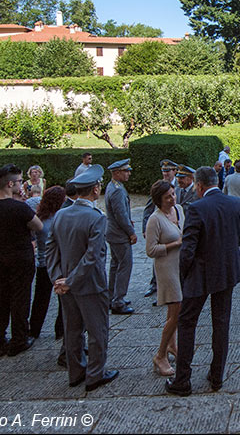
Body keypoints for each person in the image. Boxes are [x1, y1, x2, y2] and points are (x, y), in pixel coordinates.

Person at [165, 167, 240, 396]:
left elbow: (188, 249)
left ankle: (183, 380)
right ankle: (217, 376)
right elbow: (238, 238)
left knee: (187, 324)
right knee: (221, 324)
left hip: (200, 274)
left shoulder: (196, 208)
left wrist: (183, 275)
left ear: (199, 186)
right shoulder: (233, 203)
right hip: (226, 272)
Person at [46, 164, 119, 391]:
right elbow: (92, 257)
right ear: (96, 190)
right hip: (89, 284)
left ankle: (75, 372)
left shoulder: (60, 214)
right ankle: (95, 374)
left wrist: (58, 278)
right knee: (98, 331)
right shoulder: (96, 217)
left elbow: (50, 250)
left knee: (73, 330)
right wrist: (70, 280)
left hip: (65, 285)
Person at [0, 164, 43, 357]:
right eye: (18, 181)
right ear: (10, 184)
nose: (21, 185)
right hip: (21, 255)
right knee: (20, 297)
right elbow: (38, 226)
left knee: (0, 297)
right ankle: (19, 338)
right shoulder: (20, 207)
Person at [145, 180, 184, 377]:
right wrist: (174, 244)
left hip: (180, 266)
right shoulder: (155, 219)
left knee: (173, 311)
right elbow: (150, 250)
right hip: (166, 268)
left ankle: (172, 346)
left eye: (173, 194)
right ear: (159, 199)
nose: (172, 199)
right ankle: (160, 354)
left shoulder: (178, 209)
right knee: (177, 310)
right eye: (167, 196)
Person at [29, 186, 66, 340]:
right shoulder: (60, 218)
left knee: (40, 299)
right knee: (62, 300)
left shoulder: (40, 218)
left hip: (43, 263)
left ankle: (34, 329)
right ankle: (60, 329)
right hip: (58, 263)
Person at [142, 159, 180, 300]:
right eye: (163, 171)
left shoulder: (179, 186)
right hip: (163, 231)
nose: (165, 174)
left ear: (174, 171)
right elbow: (148, 209)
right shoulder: (158, 187)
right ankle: (155, 284)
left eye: (167, 171)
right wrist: (145, 228)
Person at [105, 159, 137, 315]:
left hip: (113, 233)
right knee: (125, 266)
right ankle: (118, 301)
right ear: (116, 173)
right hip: (119, 234)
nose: (128, 173)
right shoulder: (117, 190)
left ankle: (112, 297)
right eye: (126, 171)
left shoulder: (113, 186)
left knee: (115, 265)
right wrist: (131, 231)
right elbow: (121, 215)